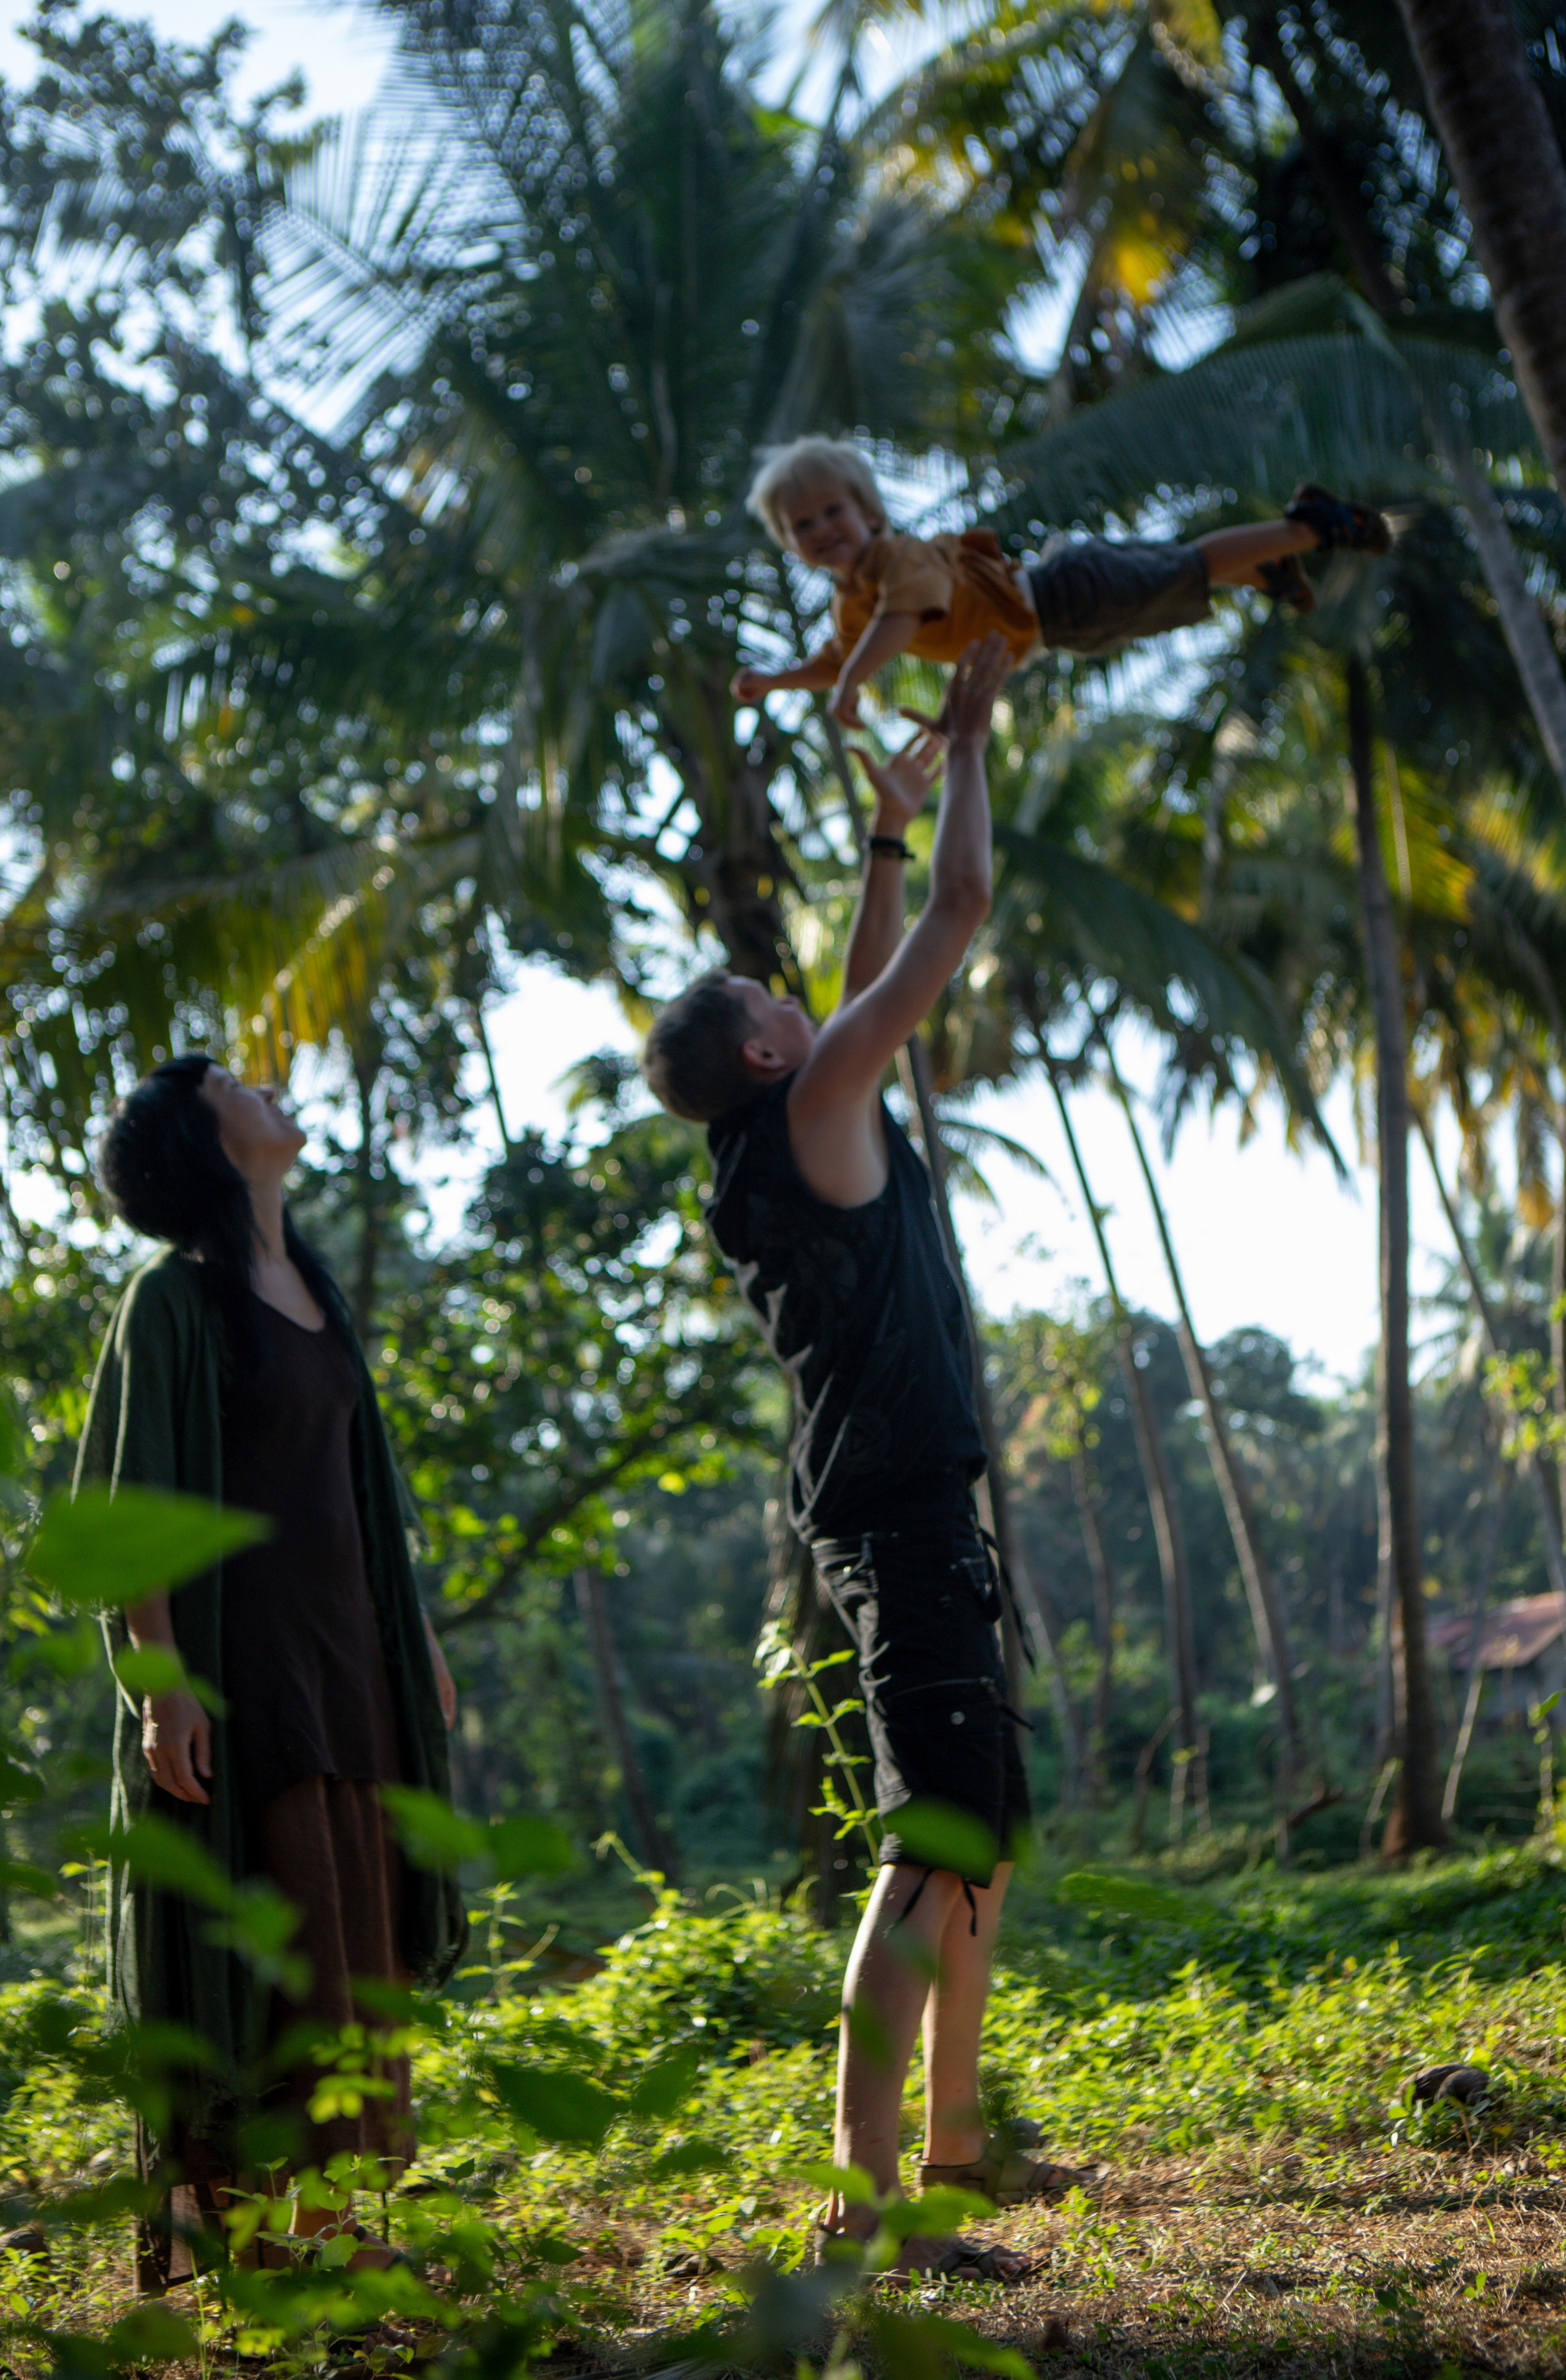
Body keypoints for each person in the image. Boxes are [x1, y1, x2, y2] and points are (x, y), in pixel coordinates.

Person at [643, 638, 1079, 2283]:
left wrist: (880, 836)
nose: (798, 992)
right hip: (900, 1520)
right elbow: (952, 930)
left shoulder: (787, 1129)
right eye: (773, 1000)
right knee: (927, 1848)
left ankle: (950, 2162)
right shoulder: (820, 1100)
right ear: (767, 1053)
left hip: (898, 1513)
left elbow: (874, 954)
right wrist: (966, 748)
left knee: (970, 1842)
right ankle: (868, 2201)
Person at [79, 1056, 467, 2290]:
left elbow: (362, 1497)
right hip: (248, 1685)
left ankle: (337, 2231)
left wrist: (421, 1650)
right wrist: (162, 1686)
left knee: (363, 1948)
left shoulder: (312, 1286)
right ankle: (268, 2249)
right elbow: (131, 1507)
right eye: (235, 1083)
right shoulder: (171, 1300)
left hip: (355, 1666)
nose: (267, 1087)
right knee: (277, 1951)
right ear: (205, 1138)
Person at [730, 434, 1392, 729]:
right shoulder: (854, 603)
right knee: (1172, 589)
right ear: (790, 545)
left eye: (831, 511)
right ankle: (1262, 572)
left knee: (1189, 566)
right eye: (800, 525)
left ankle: (1310, 527)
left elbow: (893, 628)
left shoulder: (897, 562)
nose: (820, 529)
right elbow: (837, 656)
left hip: (1062, 592)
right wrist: (776, 680)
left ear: (869, 512)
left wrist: (851, 684)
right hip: (1067, 625)